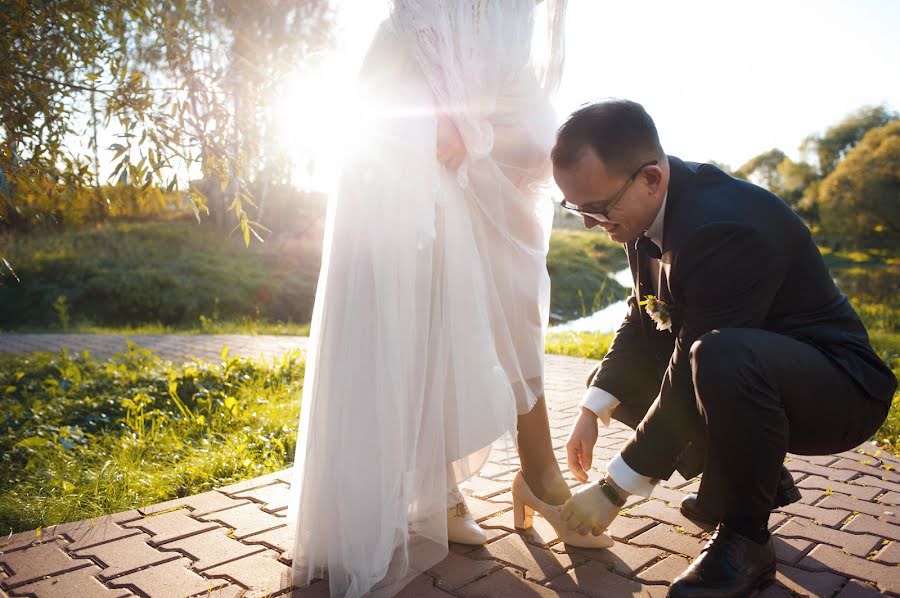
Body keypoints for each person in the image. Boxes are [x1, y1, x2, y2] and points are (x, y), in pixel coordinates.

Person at [286, 3, 609, 597]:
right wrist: (442, 109)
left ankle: (537, 472)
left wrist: (509, 125)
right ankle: (438, 486)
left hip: (498, 101)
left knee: (513, 297)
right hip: (418, 95)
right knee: (424, 294)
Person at [551, 99, 897, 597]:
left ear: (651, 178)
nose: (588, 223)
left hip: (839, 388)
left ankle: (745, 539)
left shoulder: (721, 228)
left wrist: (613, 489)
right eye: (576, 208)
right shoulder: (638, 212)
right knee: (641, 379)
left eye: (597, 209)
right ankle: (754, 478)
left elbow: (698, 363)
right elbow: (643, 319)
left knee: (717, 357)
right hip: (759, 372)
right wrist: (592, 407)